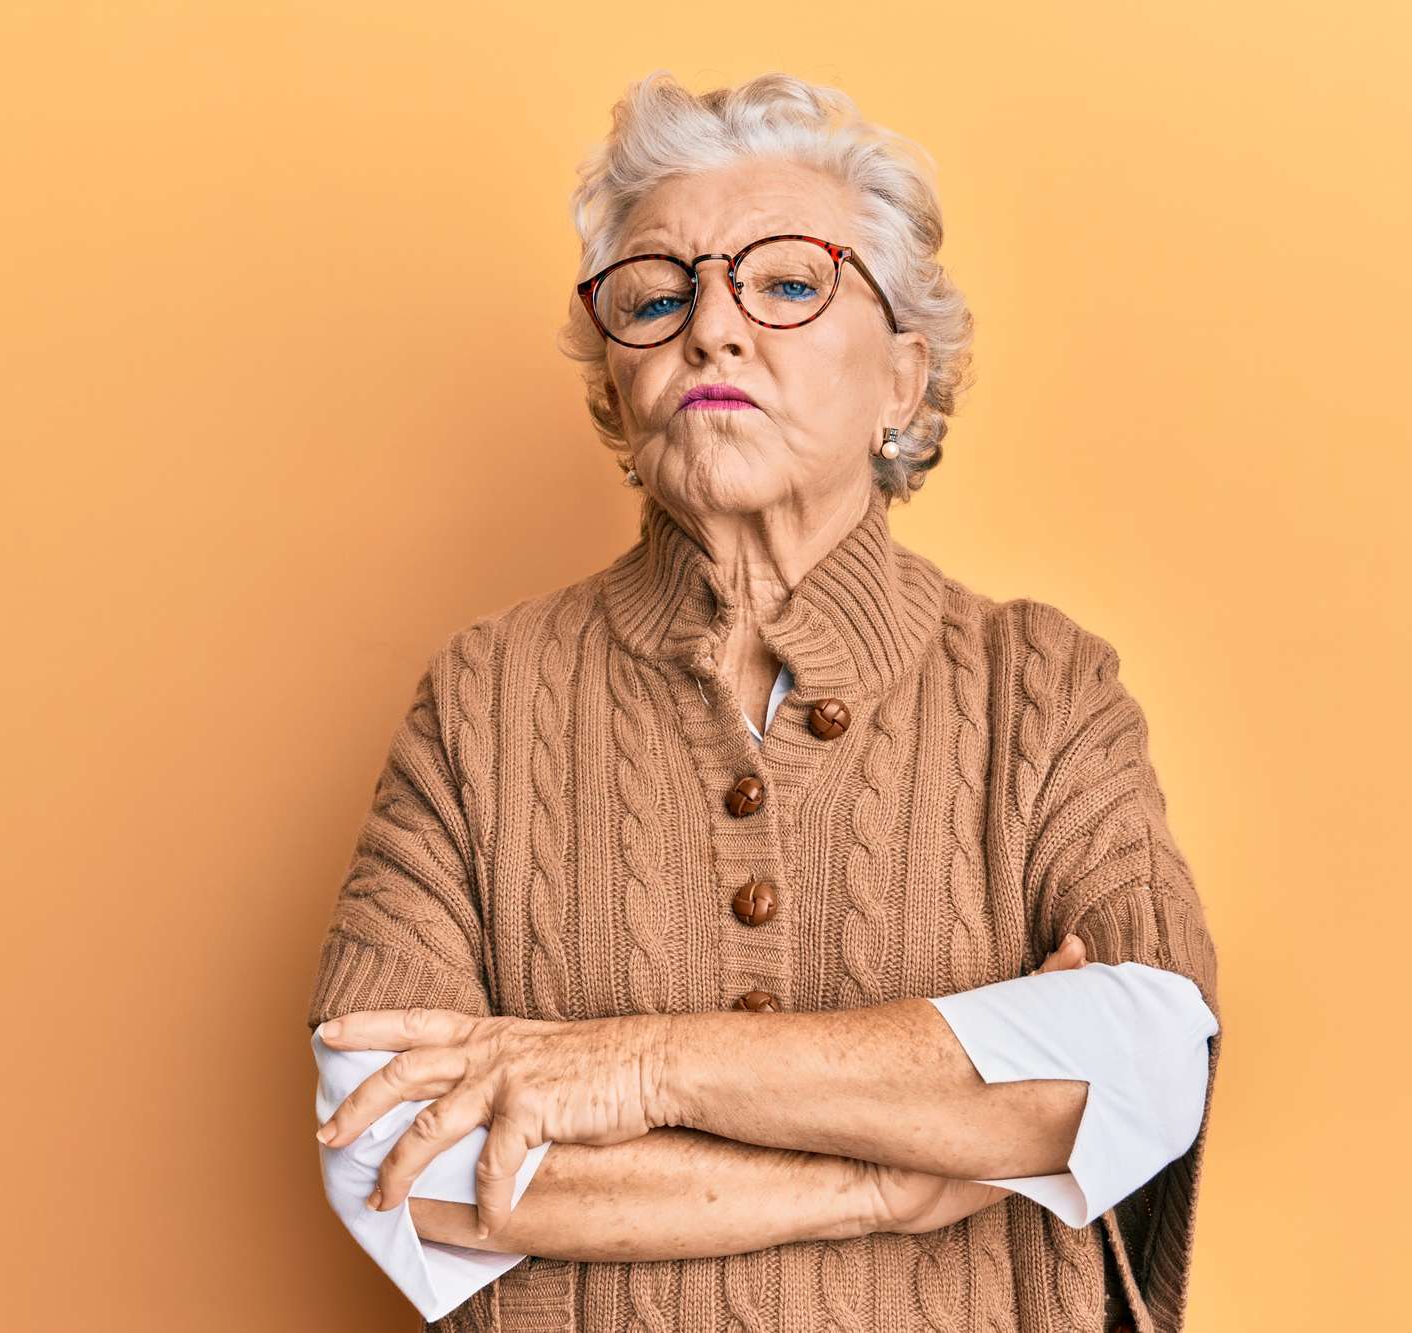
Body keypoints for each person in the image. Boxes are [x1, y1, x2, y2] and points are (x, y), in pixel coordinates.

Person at [304, 69, 1223, 1333]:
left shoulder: (1045, 685)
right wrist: (895, 1180)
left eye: (787, 284)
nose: (710, 331)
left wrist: (624, 1066)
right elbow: (390, 1147)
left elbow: (1141, 1060)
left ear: (905, 378)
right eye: (656, 294)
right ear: (612, 382)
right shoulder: (482, 697)